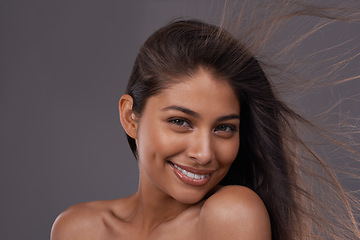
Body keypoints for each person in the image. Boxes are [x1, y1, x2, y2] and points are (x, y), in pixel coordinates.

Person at [51, 11, 360, 240]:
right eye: (180, 122)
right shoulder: (76, 229)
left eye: (224, 128)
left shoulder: (233, 214)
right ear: (130, 116)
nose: (204, 153)